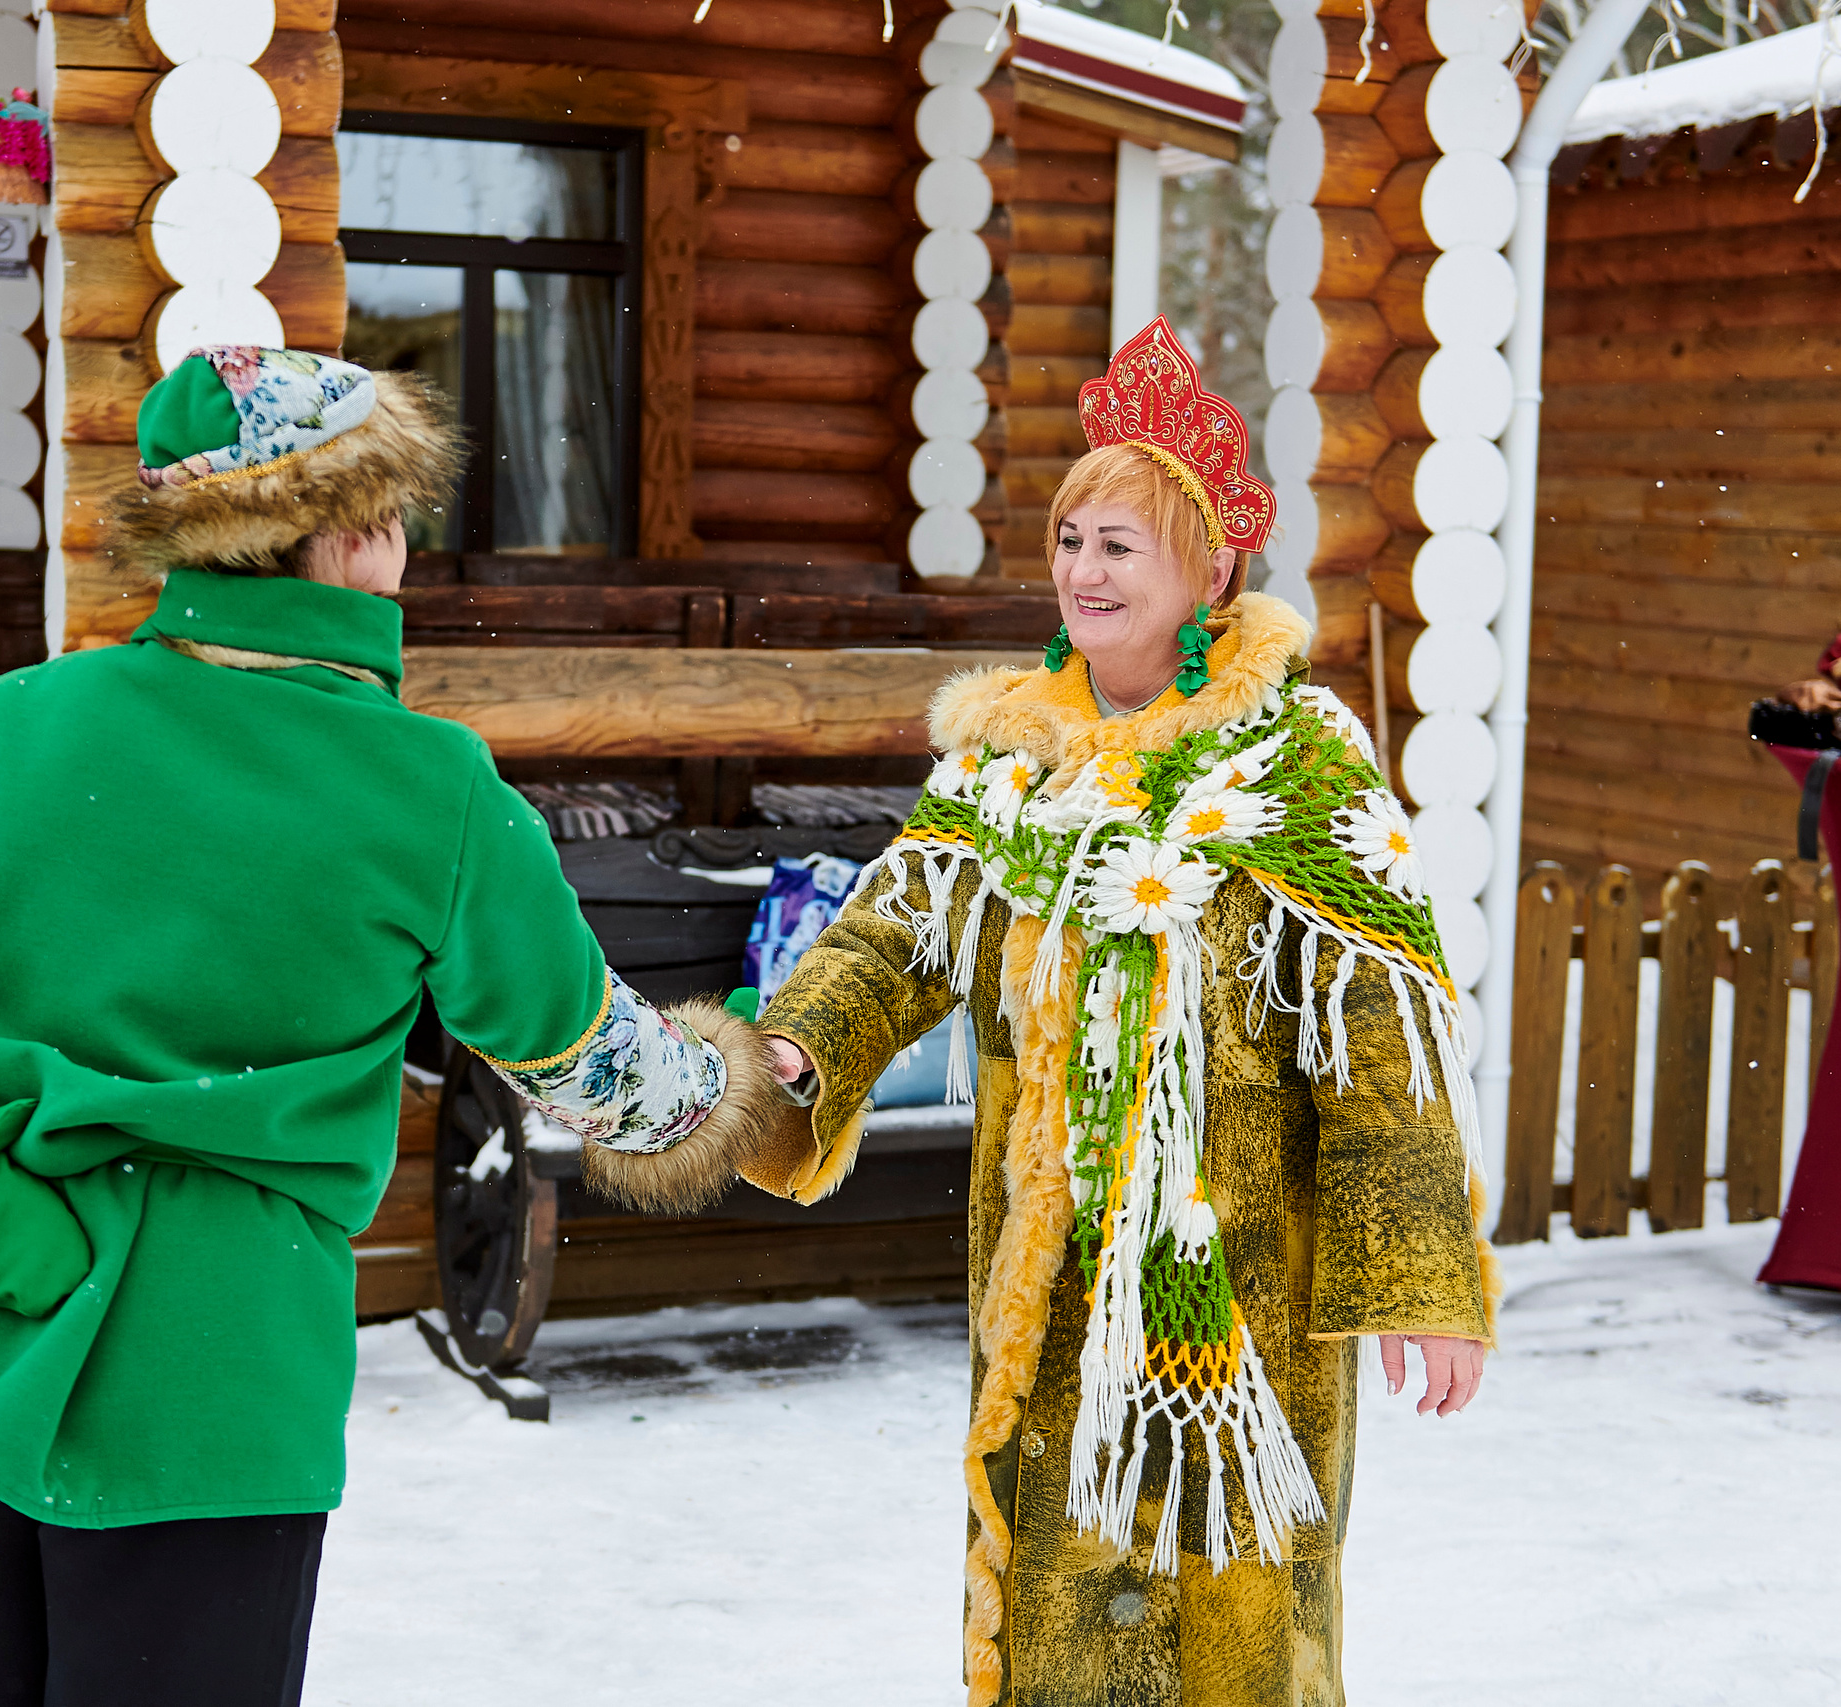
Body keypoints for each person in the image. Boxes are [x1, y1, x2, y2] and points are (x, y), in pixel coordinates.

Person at [0, 346, 782, 1707]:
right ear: (347, 531)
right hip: (214, 1372)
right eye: (394, 515)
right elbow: (613, 1083)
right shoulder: (429, 786)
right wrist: (748, 1058)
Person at [589, 319, 1498, 1706]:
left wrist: (1422, 1281)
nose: (1081, 571)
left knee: (1240, 1619)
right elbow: (893, 940)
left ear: (1210, 571)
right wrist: (795, 1047)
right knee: (1060, 1617)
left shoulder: (1301, 766)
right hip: (1051, 1283)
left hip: (1241, 1296)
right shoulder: (1009, 762)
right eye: (1071, 541)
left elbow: (1384, 1044)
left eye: (1118, 546)